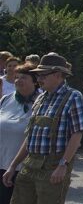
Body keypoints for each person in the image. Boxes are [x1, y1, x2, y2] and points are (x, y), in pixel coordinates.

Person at [3, 53, 83, 204]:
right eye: (38, 75)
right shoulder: (40, 98)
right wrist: (13, 165)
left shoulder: (74, 97)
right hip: (29, 164)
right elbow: (30, 136)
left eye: (43, 75)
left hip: (53, 166)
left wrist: (63, 165)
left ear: (58, 75)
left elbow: (77, 134)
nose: (39, 79)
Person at [0, 63, 38, 204]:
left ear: (35, 81)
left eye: (23, 77)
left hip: (25, 167)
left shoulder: (41, 102)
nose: (18, 80)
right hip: (2, 162)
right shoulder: (6, 99)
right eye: (17, 77)